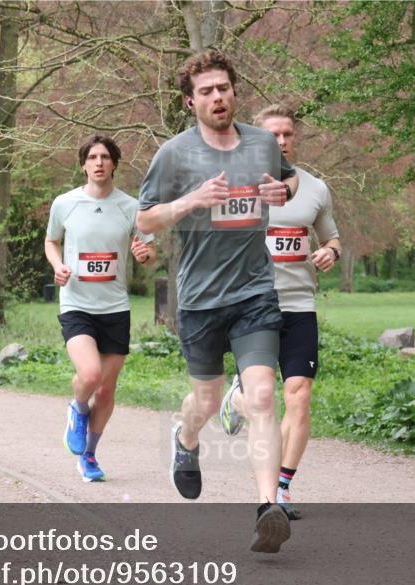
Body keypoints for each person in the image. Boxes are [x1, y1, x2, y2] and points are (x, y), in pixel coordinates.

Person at [136, 50, 300, 553]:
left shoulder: (260, 142)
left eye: (223, 88)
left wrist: (281, 193)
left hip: (254, 291)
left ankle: (267, 508)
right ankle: (185, 441)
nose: (217, 98)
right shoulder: (174, 154)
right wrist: (191, 201)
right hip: (201, 299)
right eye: (206, 92)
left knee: (264, 396)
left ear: (234, 91)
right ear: (191, 102)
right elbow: (144, 220)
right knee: (206, 401)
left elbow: (290, 177)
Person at [218, 105, 342, 520]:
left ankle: (282, 487)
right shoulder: (236, 187)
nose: (281, 141)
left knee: (300, 395)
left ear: (295, 138)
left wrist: (328, 252)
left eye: (287, 134)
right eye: (272, 135)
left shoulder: (315, 189)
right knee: (260, 399)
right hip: (252, 306)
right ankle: (232, 401)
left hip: (299, 305)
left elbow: (333, 238)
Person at [46, 134, 156, 482]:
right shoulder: (65, 203)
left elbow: (149, 252)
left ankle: (89, 456)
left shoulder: (131, 207)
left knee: (107, 389)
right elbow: (52, 241)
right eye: (92, 156)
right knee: (90, 375)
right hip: (76, 303)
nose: (98, 162)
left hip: (115, 307)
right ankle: (78, 408)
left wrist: (145, 255)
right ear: (83, 164)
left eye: (105, 157)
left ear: (114, 164)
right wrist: (57, 265)